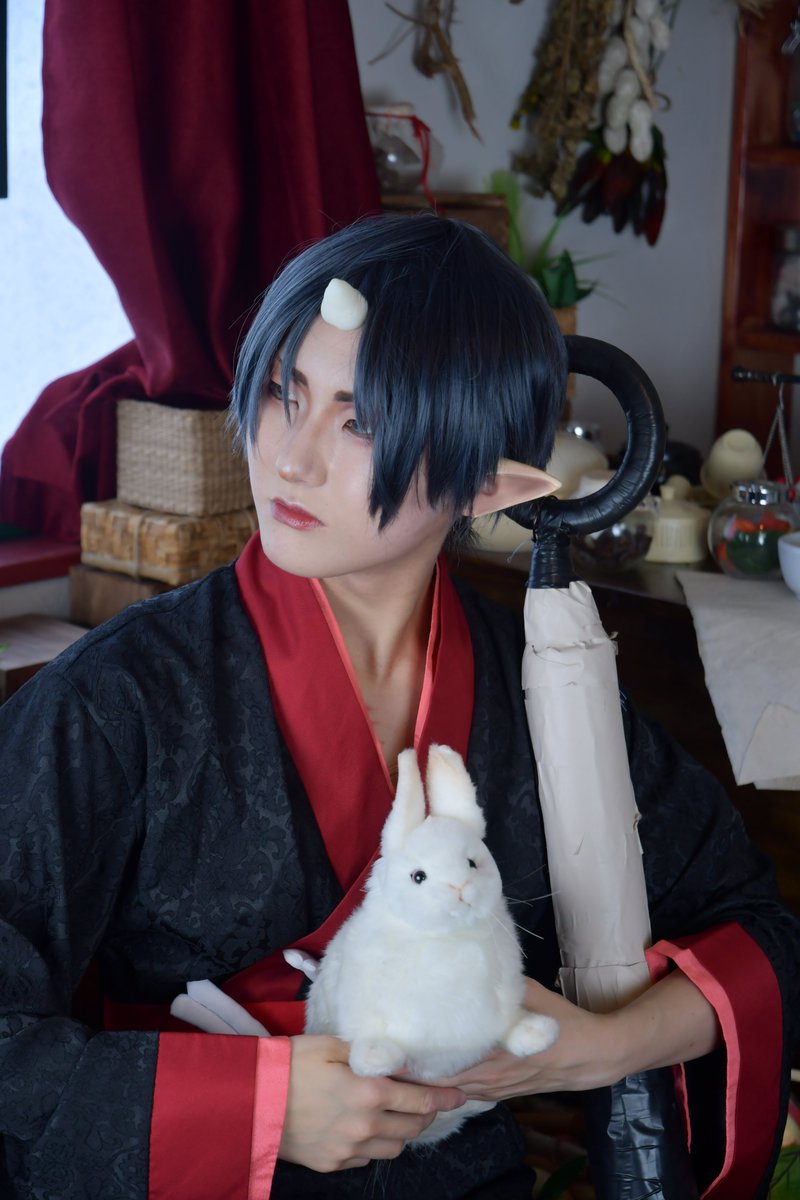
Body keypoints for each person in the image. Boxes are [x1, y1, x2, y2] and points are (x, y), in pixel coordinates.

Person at [0, 213, 797, 1200]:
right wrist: (255, 1108)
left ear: (487, 484)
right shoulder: (116, 697)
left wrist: (595, 1049)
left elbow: (759, 933)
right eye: (284, 394)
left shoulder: (543, 689)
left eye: (362, 422)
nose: (290, 459)